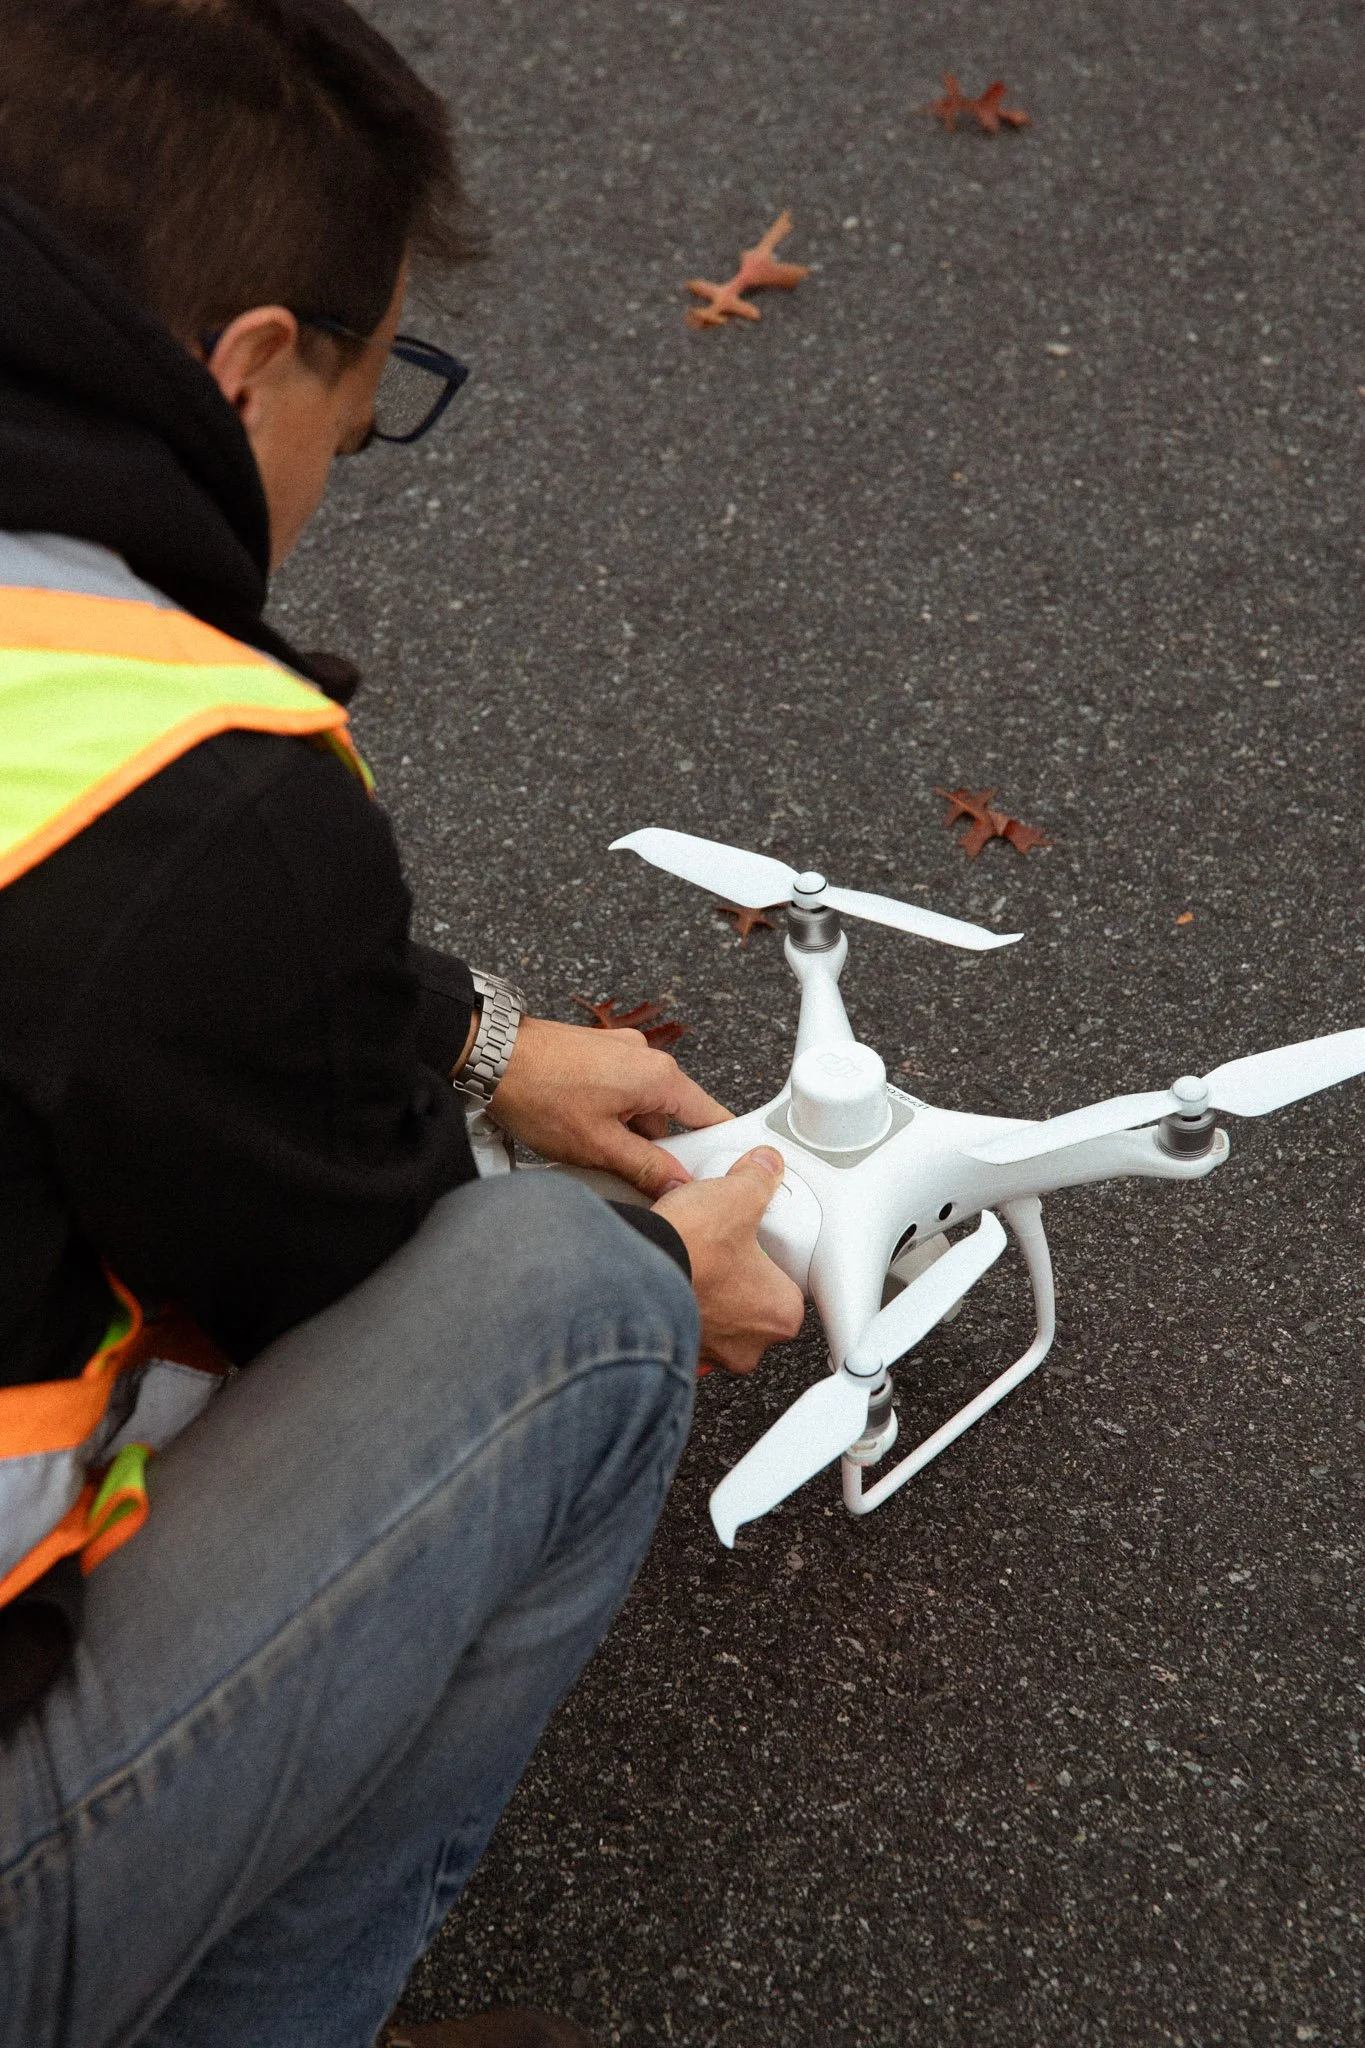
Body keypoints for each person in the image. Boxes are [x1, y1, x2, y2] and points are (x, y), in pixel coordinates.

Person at [0, 4, 805, 2044]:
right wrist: (653, 1259)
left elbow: (75, 975)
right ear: (252, 359)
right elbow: (319, 1266)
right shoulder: (190, 789)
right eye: (344, 443)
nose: (318, 502)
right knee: (563, 1300)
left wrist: (460, 1037)